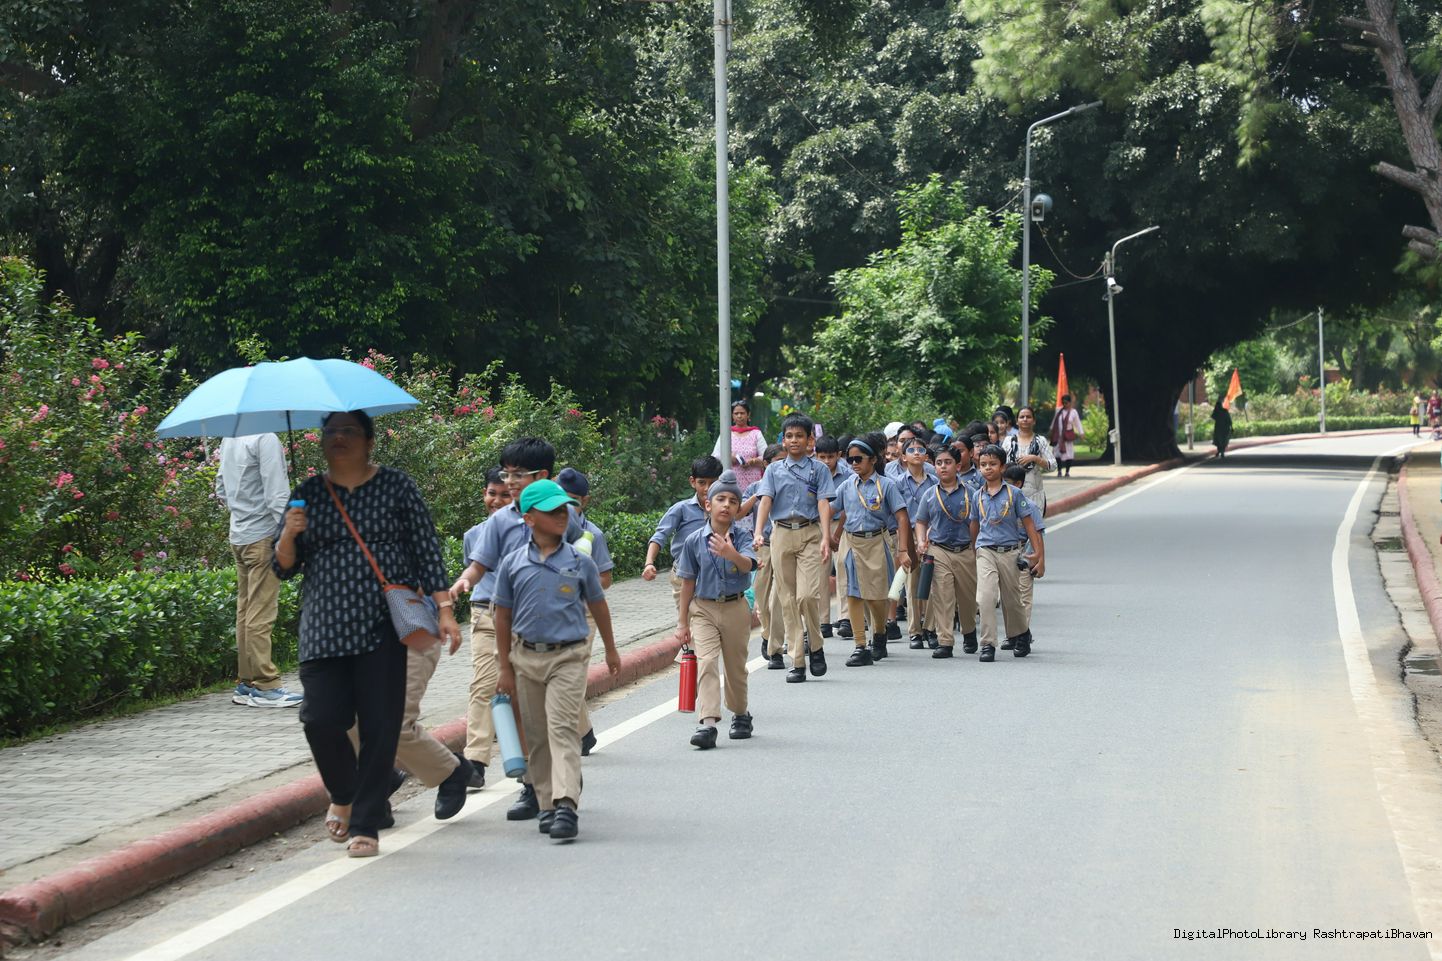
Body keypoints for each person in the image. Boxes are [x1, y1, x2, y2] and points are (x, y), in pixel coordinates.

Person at [273, 410, 460, 858]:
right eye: (330, 431)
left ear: (369, 440)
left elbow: (426, 549)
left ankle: (366, 823)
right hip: (323, 627)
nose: (338, 438)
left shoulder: (397, 486)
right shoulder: (307, 494)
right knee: (319, 719)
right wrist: (289, 534)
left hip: (382, 625)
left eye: (348, 431)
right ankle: (344, 792)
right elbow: (281, 567)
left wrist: (445, 610)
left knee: (380, 726)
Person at [450, 437, 583, 823]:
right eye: (506, 474)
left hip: (552, 627)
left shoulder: (562, 513)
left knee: (552, 715)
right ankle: (533, 785)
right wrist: (463, 581)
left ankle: (562, 783)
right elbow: (479, 563)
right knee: (518, 707)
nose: (508, 482)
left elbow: (578, 546)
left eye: (517, 475)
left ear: (542, 476)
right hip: (502, 620)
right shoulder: (499, 521)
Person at [494, 480, 621, 842]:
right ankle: (547, 803)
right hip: (526, 657)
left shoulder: (580, 562)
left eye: (564, 509)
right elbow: (502, 615)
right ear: (529, 518)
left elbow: (598, 605)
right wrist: (504, 667)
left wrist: (611, 649)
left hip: (568, 656)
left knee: (562, 728)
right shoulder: (512, 564)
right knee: (537, 736)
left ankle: (566, 804)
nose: (562, 516)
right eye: (552, 511)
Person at [216, 433, 304, 707]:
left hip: (239, 536)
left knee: (245, 611)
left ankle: (246, 683)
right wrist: (292, 534)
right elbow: (277, 495)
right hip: (263, 536)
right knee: (261, 613)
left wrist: (243, 513)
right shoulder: (265, 438)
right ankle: (266, 686)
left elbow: (221, 488)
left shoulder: (230, 437)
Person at [675, 473, 757, 748]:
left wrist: (730, 553)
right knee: (707, 661)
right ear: (708, 505)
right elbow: (688, 582)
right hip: (703, 609)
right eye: (720, 499)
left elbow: (748, 565)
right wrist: (682, 623)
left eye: (733, 501)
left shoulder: (742, 536)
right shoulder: (694, 540)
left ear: (738, 509)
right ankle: (708, 723)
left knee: (735, 667)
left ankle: (741, 713)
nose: (726, 505)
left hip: (735, 607)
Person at [752, 413, 836, 683]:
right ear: (783, 440)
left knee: (807, 596)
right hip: (781, 534)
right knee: (787, 599)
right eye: (789, 436)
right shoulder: (774, 470)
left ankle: (816, 645)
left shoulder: (818, 470)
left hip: (810, 533)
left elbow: (824, 503)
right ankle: (797, 661)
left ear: (810, 439)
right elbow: (765, 501)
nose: (794, 440)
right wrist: (758, 532)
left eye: (800, 435)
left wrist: (825, 537)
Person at [830, 433, 911, 665]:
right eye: (850, 460)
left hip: (877, 542)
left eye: (859, 459)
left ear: (873, 459)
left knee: (877, 598)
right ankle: (860, 646)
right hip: (852, 544)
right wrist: (830, 535)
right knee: (854, 594)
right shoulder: (847, 485)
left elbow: (902, 517)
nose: (854, 463)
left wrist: (903, 550)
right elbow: (834, 509)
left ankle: (879, 633)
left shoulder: (887, 485)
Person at [968, 444, 1045, 663]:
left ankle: (1022, 633)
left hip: (1010, 552)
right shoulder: (977, 496)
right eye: (983, 464)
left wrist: (1037, 554)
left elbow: (1029, 523)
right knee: (986, 597)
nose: (987, 468)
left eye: (993, 464)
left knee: (1012, 601)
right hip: (985, 551)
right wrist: (974, 548)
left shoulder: (1015, 494)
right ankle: (987, 643)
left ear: (1002, 467)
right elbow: (974, 524)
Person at [556, 467, 612, 756]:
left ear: (585, 501)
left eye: (572, 500)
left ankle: (570, 736)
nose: (565, 506)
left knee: (572, 673)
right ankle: (583, 732)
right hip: (550, 613)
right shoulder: (542, 528)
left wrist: (578, 582)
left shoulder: (593, 535)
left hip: (583, 612)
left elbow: (605, 579)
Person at [915, 446, 977, 658]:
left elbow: (978, 522)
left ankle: (969, 632)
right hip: (939, 550)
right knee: (942, 595)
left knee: (967, 598)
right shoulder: (929, 494)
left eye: (948, 462)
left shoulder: (971, 493)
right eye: (939, 463)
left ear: (958, 466)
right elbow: (921, 521)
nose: (943, 467)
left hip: (966, 550)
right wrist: (921, 540)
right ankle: (945, 641)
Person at [643, 456, 724, 616]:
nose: (707, 488)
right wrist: (649, 563)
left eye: (712, 483)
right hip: (683, 575)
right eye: (702, 483)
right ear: (692, 482)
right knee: (688, 620)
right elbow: (660, 536)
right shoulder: (681, 509)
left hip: (713, 576)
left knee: (709, 621)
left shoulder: (724, 509)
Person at [742, 444, 787, 668]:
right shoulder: (754, 487)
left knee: (777, 600)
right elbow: (739, 512)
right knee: (762, 598)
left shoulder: (789, 484)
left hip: (784, 546)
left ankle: (776, 647)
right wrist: (760, 494)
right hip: (762, 548)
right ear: (766, 464)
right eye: (777, 461)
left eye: (785, 461)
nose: (782, 465)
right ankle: (767, 634)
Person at [893, 435, 938, 648]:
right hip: (907, 534)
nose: (917, 453)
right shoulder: (897, 483)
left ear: (927, 456)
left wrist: (929, 533)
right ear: (903, 457)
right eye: (911, 450)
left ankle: (930, 628)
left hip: (932, 534)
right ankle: (915, 631)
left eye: (921, 450)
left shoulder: (935, 481)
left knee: (931, 582)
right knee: (911, 582)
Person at [1003, 464, 1045, 655]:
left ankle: (1022, 635)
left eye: (1008, 483)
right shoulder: (1000, 505)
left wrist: (1040, 561)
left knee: (1023, 597)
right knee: (1007, 596)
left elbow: (1038, 535)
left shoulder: (1030, 507)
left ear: (1018, 484)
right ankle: (1012, 634)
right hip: (1003, 552)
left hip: (1024, 553)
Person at [813, 435, 852, 641]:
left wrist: (835, 534)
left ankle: (845, 617)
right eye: (822, 457)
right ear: (816, 456)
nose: (827, 461)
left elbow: (848, 506)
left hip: (841, 526)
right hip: (818, 525)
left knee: (844, 566)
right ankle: (823, 621)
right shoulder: (811, 474)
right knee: (820, 571)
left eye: (830, 457)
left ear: (838, 455)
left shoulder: (848, 475)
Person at [1003, 405, 1056, 515]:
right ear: (1017, 421)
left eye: (1028, 417)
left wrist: (1035, 458)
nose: (1025, 419)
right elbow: (1001, 465)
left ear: (1034, 421)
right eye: (1022, 417)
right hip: (1011, 492)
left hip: (1035, 494)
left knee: (1035, 524)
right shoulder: (1009, 441)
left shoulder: (1040, 441)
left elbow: (1053, 465)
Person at [713, 400, 768, 491]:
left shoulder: (756, 433)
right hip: (730, 482)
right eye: (736, 413)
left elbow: (767, 456)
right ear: (732, 416)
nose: (739, 416)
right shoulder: (726, 433)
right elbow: (715, 456)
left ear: (748, 415)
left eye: (742, 413)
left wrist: (753, 461)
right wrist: (728, 458)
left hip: (753, 483)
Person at [1050, 394, 1084, 477]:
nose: (1064, 405)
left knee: (1068, 454)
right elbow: (1054, 421)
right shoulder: (1059, 411)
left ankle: (1067, 471)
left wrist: (1081, 433)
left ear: (1070, 403)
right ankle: (1059, 471)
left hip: (1067, 437)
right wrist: (1051, 430)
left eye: (1066, 403)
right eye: (1063, 403)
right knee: (1057, 454)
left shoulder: (1073, 412)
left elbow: (1077, 423)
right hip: (1058, 436)